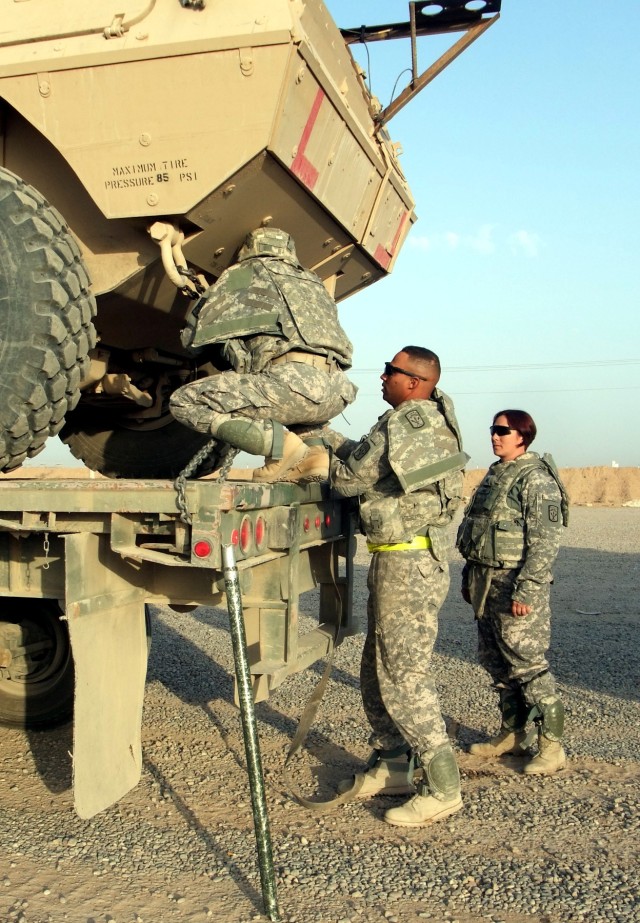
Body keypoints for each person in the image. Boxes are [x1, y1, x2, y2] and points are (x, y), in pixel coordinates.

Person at [324, 346, 468, 827]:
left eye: (391, 371)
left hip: (407, 564)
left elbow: (349, 480)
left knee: (404, 676)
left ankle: (443, 786)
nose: (382, 376)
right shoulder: (431, 424)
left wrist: (310, 454)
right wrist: (329, 438)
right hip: (404, 560)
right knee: (376, 669)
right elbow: (371, 465)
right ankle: (392, 765)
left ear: (414, 382)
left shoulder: (402, 424)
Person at [170, 227, 357, 482]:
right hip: (337, 391)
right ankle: (313, 455)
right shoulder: (313, 280)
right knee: (295, 408)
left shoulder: (243, 273)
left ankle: (280, 447)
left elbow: (192, 341)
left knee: (185, 401)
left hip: (291, 384)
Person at [456, 409, 569, 774]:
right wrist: (469, 578)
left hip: (514, 586)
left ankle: (552, 747)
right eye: (493, 429)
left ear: (522, 435)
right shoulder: (496, 474)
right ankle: (513, 733)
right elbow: (479, 527)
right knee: (496, 663)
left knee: (527, 664)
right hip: (487, 583)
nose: (494, 436)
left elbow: (545, 542)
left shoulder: (536, 480)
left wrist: (528, 590)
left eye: (502, 430)